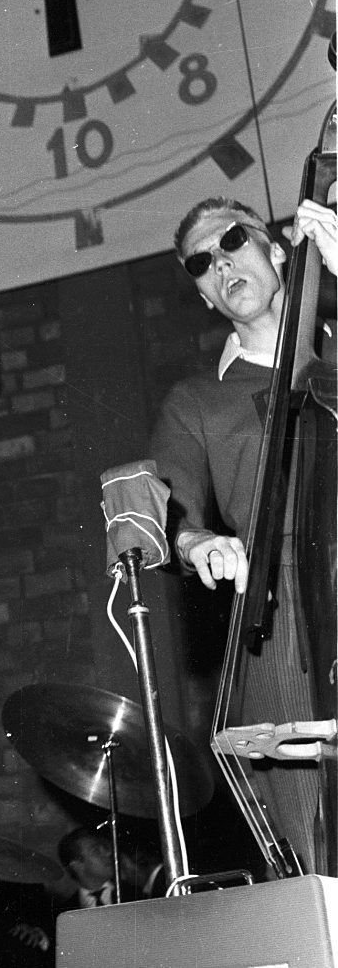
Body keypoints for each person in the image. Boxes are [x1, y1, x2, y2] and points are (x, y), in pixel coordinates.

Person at [147, 195, 337, 873]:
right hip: (280, 612)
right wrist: (194, 542)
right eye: (201, 261)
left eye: (232, 239)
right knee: (315, 838)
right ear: (203, 296)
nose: (220, 260)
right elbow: (167, 503)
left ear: (278, 247)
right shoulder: (196, 399)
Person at [56, 827, 162, 908]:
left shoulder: (138, 893)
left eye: (105, 848)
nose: (108, 853)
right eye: (96, 851)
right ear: (77, 866)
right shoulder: (65, 911)